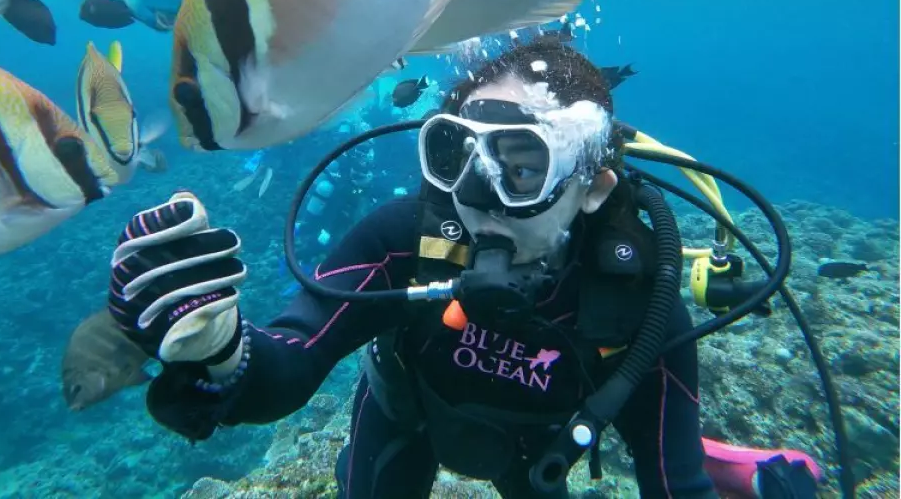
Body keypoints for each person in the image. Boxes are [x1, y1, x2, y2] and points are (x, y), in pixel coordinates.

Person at [107, 37, 821, 498]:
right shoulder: (404, 239)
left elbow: (674, 484)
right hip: (406, 421)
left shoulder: (639, 302)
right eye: (455, 155)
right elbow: (289, 359)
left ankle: (739, 468)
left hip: (540, 453)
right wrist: (220, 350)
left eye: (521, 164)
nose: (478, 199)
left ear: (593, 184)